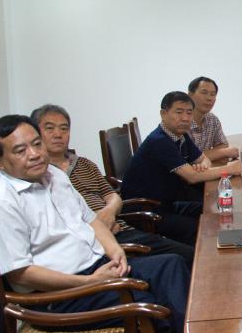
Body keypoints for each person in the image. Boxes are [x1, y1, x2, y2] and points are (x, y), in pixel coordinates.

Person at [0, 115, 215, 333]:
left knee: (171, 265)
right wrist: (90, 282)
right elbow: (23, 274)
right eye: (20, 150)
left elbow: (91, 221)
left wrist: (115, 250)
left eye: (36, 144)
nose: (34, 154)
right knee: (156, 308)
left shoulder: (54, 176)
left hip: (98, 268)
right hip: (59, 295)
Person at [31, 104, 195, 265]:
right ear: (35, 134)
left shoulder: (84, 164)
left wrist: (109, 213)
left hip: (121, 229)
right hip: (93, 246)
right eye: (50, 128)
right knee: (180, 260)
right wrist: (98, 228)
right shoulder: (38, 176)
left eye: (64, 128)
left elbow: (113, 195)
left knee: (191, 253)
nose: (58, 134)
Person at [120, 91, 240, 246]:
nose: (185, 118)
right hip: (146, 211)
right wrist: (230, 169)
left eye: (189, 113)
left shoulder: (181, 136)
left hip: (167, 204)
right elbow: (192, 177)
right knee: (201, 229)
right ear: (163, 114)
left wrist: (202, 166)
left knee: (215, 211)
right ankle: (200, 260)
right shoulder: (159, 141)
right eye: (179, 112)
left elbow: (204, 159)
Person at [187, 76, 238, 162]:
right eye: (204, 92)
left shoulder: (212, 119)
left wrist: (216, 154)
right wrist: (224, 153)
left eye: (213, 94)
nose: (209, 98)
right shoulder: (181, 122)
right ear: (190, 95)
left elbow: (223, 145)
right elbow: (187, 159)